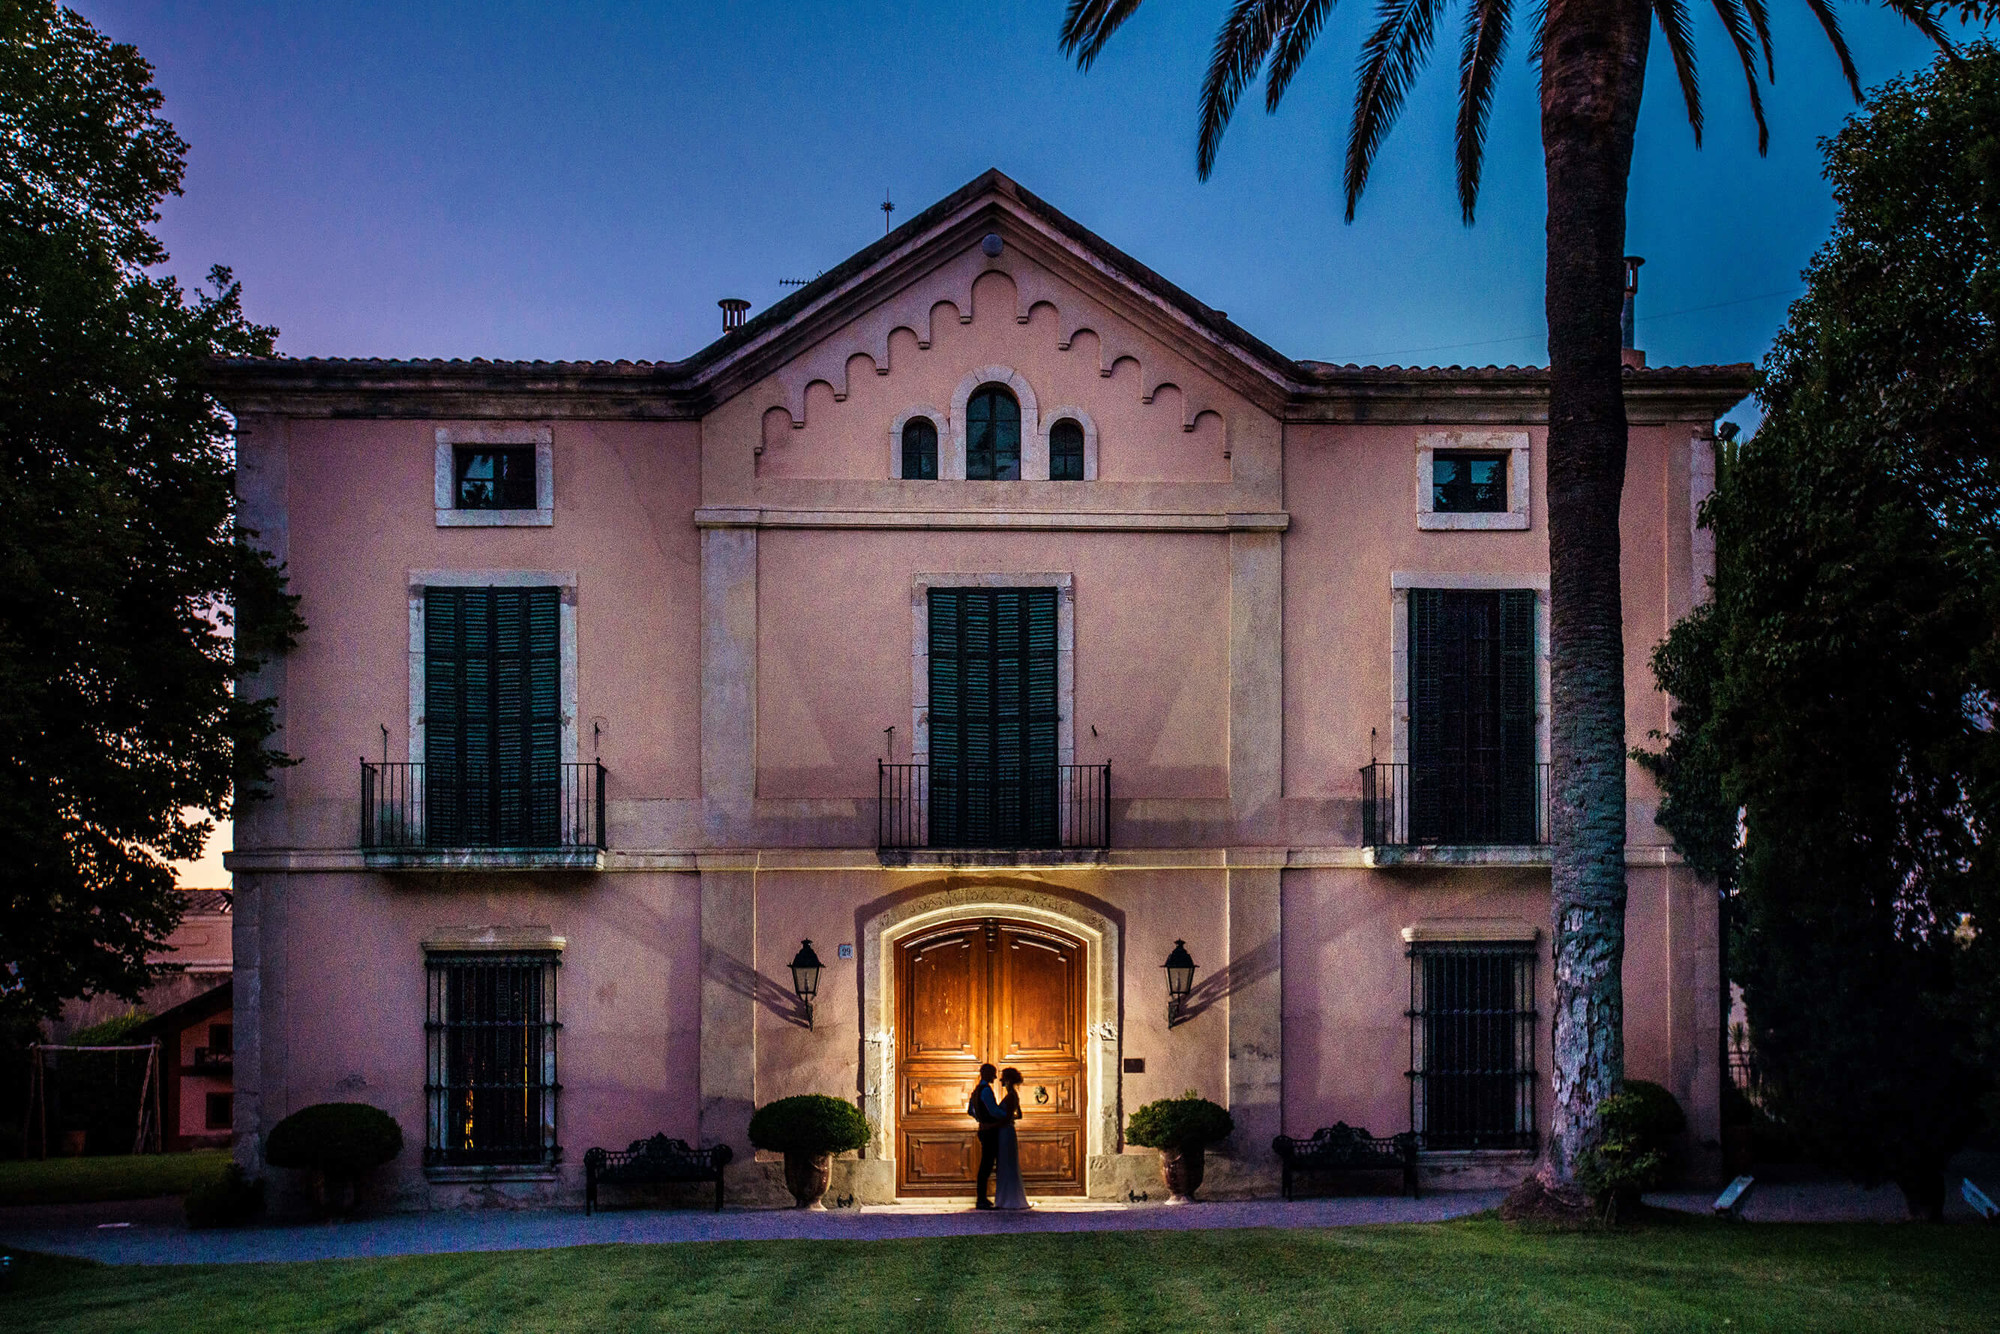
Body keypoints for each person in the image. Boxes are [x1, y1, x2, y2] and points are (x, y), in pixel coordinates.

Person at [993, 1066, 1031, 1210]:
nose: (1001, 1080)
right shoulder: (1014, 1095)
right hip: (1009, 1130)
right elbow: (1018, 1115)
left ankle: (1007, 1199)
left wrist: (993, 1123)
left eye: (1003, 1077)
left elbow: (1008, 1116)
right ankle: (1009, 1198)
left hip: (1005, 1131)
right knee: (1009, 1163)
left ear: (1008, 1080)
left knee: (1006, 1163)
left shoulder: (1010, 1096)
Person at [968, 1063, 1001, 1209]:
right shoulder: (986, 1090)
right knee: (987, 1164)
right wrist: (1005, 1116)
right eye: (993, 1073)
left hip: (983, 1129)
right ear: (987, 1074)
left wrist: (979, 1118)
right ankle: (981, 1199)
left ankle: (982, 1197)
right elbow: (993, 1110)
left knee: (986, 1164)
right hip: (989, 1131)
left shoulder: (976, 1090)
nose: (995, 1077)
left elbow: (970, 1110)